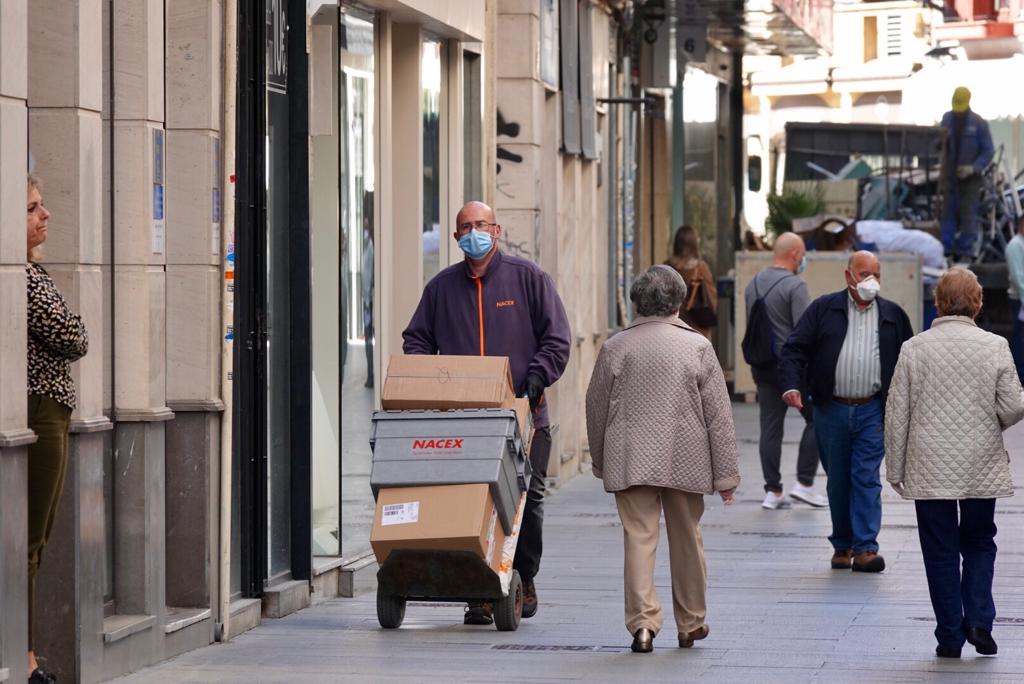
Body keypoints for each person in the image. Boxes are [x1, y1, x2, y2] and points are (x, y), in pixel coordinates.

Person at [403, 201, 571, 624]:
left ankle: (522, 574)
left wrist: (536, 377)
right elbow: (416, 341)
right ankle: (478, 589)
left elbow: (557, 339)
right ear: (457, 236)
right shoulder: (441, 289)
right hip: (464, 420)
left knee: (525, 503)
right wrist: (432, 381)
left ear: (496, 231)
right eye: (465, 227)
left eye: (481, 225)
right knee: (473, 503)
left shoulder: (528, 279)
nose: (473, 232)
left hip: (527, 416)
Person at [585, 265, 739, 654]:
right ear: (680, 301)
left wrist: (601, 460)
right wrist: (726, 477)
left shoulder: (615, 347)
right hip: (686, 457)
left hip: (630, 456)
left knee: (639, 538)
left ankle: (642, 625)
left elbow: (596, 407)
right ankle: (691, 622)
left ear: (637, 301)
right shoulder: (698, 347)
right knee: (688, 537)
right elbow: (718, 416)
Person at [885, 268, 1024, 658]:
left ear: (937, 303)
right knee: (980, 541)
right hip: (980, 459)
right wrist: (990, 420)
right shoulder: (995, 345)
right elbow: (1015, 405)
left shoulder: (914, 348)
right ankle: (979, 620)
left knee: (939, 549)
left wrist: (895, 468)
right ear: (978, 303)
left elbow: (897, 413)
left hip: (929, 464)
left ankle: (949, 634)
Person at [779, 251, 913, 573]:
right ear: (848, 276)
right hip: (831, 408)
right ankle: (843, 544)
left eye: (877, 274)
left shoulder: (893, 315)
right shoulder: (825, 309)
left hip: (872, 409)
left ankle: (866, 547)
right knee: (838, 480)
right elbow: (794, 349)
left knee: (866, 477)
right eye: (865, 273)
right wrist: (792, 386)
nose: (871, 281)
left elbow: (910, 360)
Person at [25, 174, 89, 684]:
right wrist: (74, 326)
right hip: (41, 409)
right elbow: (72, 334)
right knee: (32, 537)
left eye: (43, 204)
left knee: (36, 539)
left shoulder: (30, 273)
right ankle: (24, 659)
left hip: (50, 408)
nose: (45, 215)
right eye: (32, 208)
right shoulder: (22, 278)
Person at [743, 232, 826, 510]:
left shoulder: (753, 283)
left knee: (770, 427)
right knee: (817, 419)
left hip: (762, 367)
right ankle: (804, 483)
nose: (803, 260)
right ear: (794, 254)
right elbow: (805, 331)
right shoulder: (795, 286)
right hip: (791, 370)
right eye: (802, 255)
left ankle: (773, 491)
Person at [940, 86, 994, 261]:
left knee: (968, 214)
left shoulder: (979, 124)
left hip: (971, 180)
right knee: (947, 212)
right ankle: (946, 250)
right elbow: (937, 143)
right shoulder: (947, 119)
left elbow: (988, 151)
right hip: (950, 176)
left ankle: (965, 251)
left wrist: (973, 168)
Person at [665, 225, 717, 340]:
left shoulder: (666, 267)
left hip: (671, 328)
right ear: (694, 244)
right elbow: (712, 300)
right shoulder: (700, 268)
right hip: (696, 331)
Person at [1005, 217, 1024, 382]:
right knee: (1020, 337)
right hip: (1019, 298)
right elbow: (1018, 277)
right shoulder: (1015, 245)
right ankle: (1019, 373)